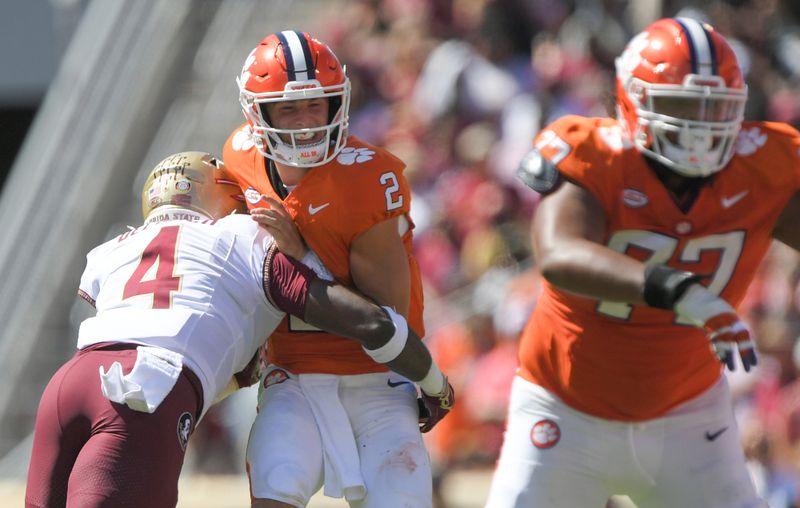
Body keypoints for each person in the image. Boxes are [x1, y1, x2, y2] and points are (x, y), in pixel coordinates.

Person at [485, 17, 797, 508]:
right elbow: (560, 253)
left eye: (715, 108)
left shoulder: (765, 164)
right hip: (564, 408)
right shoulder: (596, 153)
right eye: (681, 105)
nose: (699, 126)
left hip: (689, 414)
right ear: (635, 101)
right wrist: (677, 290)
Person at [24, 151, 453, 508]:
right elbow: (372, 323)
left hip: (70, 385)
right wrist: (435, 384)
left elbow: (153, 327)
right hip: (140, 396)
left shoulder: (114, 247)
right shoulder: (245, 235)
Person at [222, 31, 449, 507]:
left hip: (377, 377)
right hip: (294, 375)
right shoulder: (240, 156)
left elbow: (384, 315)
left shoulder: (367, 178)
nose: (305, 123)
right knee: (275, 491)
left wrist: (301, 256)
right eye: (288, 109)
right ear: (258, 114)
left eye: (316, 105)